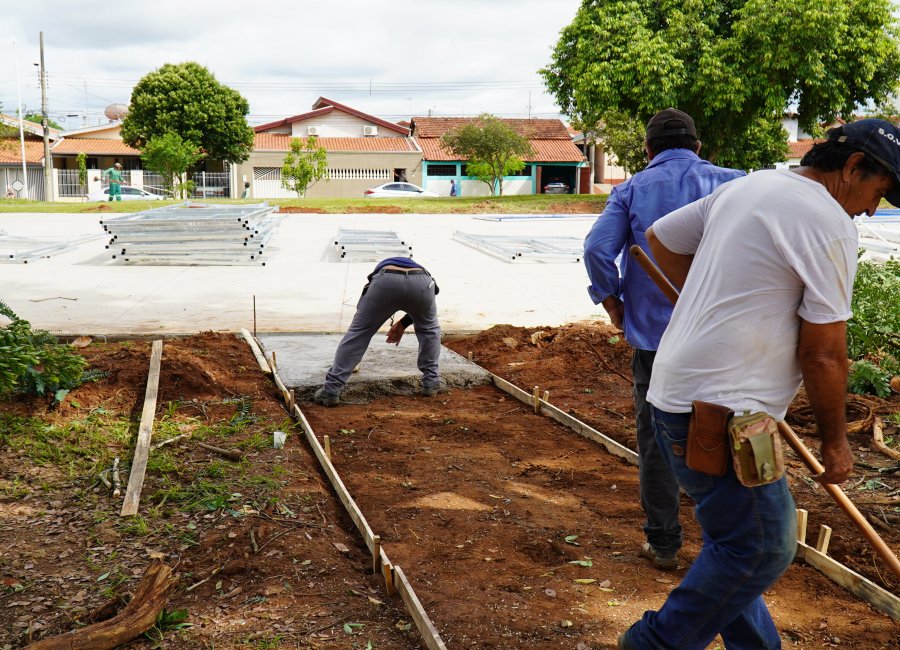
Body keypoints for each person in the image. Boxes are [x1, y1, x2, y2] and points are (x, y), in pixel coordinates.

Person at [618, 118, 900, 649]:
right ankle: (652, 644)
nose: (871, 209)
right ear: (853, 166)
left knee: (735, 542)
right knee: (763, 548)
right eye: (877, 193)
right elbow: (823, 352)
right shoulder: (830, 225)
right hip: (722, 411)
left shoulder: (750, 185)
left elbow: (660, 238)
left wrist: (717, 300)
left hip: (679, 391)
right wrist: (835, 443)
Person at [584, 108, 744, 571]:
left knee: (656, 439)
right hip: (722, 340)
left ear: (648, 151)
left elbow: (597, 249)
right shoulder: (734, 184)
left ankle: (664, 543)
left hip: (658, 344)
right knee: (732, 432)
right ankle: (732, 541)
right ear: (698, 146)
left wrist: (612, 302)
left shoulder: (630, 188)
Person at [313, 257, 442, 406]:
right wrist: (403, 323)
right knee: (429, 330)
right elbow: (424, 305)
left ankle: (331, 391)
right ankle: (431, 382)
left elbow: (363, 309)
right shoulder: (421, 270)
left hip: (386, 281)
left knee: (358, 333)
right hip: (422, 283)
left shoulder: (379, 272)